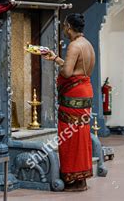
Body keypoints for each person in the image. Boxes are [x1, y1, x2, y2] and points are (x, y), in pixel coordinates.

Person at [42, 13, 95, 192]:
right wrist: (55, 58)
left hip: (73, 94)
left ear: (69, 27)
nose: (64, 29)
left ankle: (74, 179)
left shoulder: (73, 46)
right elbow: (77, 70)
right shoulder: (87, 44)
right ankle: (82, 179)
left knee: (70, 136)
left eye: (65, 26)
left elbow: (66, 73)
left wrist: (59, 65)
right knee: (81, 134)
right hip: (85, 91)